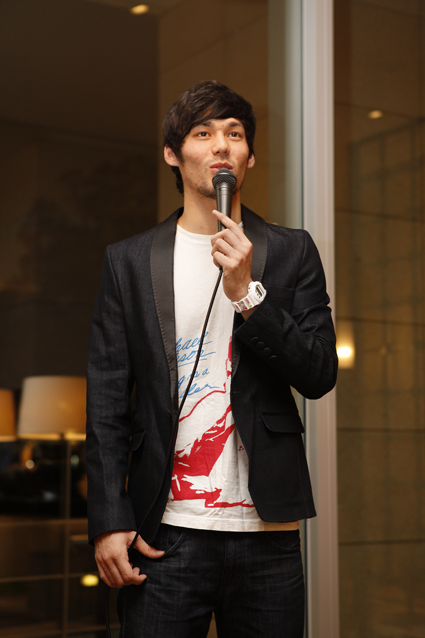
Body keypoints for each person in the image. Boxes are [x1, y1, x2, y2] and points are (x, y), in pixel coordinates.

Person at [86, 80, 338, 638]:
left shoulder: (292, 250)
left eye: (235, 133)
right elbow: (106, 401)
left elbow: (319, 373)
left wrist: (249, 294)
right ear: (173, 155)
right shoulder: (129, 261)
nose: (222, 144)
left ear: (249, 157)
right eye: (203, 133)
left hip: (267, 535)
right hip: (164, 533)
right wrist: (107, 520)